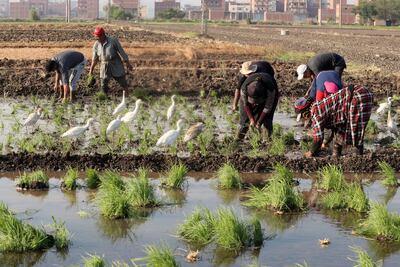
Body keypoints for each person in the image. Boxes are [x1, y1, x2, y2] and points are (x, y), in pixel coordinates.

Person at [304, 85, 373, 158]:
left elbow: (318, 139)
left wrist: (311, 152)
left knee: (356, 130)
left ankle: (358, 159)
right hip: (354, 98)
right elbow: (333, 129)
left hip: (358, 96)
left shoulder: (316, 112)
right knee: (339, 131)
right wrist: (324, 143)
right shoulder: (318, 106)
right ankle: (336, 157)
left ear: (305, 115)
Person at [236, 63, 279, 140]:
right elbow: (246, 105)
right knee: (244, 120)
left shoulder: (271, 90)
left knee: (267, 120)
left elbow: (267, 108)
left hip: (268, 91)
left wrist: (259, 122)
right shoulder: (244, 88)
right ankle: (238, 139)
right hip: (253, 93)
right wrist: (252, 119)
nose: (255, 103)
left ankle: (267, 140)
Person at [89, 26, 133, 95]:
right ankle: (104, 97)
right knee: (103, 83)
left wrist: (127, 63)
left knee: (122, 82)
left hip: (115, 63)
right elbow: (95, 59)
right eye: (96, 37)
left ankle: (127, 95)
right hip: (104, 65)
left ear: (103, 35)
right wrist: (91, 70)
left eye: (99, 37)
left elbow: (121, 52)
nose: (97, 38)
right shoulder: (96, 45)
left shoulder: (113, 41)